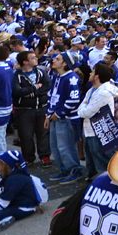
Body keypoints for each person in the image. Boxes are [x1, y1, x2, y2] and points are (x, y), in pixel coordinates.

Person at [45, 52, 83, 184]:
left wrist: (58, 114)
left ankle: (74, 170)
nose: (53, 60)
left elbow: (74, 100)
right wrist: (48, 115)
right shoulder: (57, 76)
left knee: (65, 146)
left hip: (66, 118)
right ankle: (64, 169)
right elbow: (52, 97)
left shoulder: (71, 78)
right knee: (55, 146)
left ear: (65, 63)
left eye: (57, 59)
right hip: (55, 117)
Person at [12, 50, 51, 165]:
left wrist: (30, 94)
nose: (36, 59)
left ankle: (45, 156)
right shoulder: (17, 75)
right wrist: (36, 87)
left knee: (43, 133)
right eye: (33, 58)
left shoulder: (40, 72)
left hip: (41, 107)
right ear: (25, 62)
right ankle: (28, 158)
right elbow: (17, 92)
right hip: (24, 110)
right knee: (26, 135)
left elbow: (47, 85)